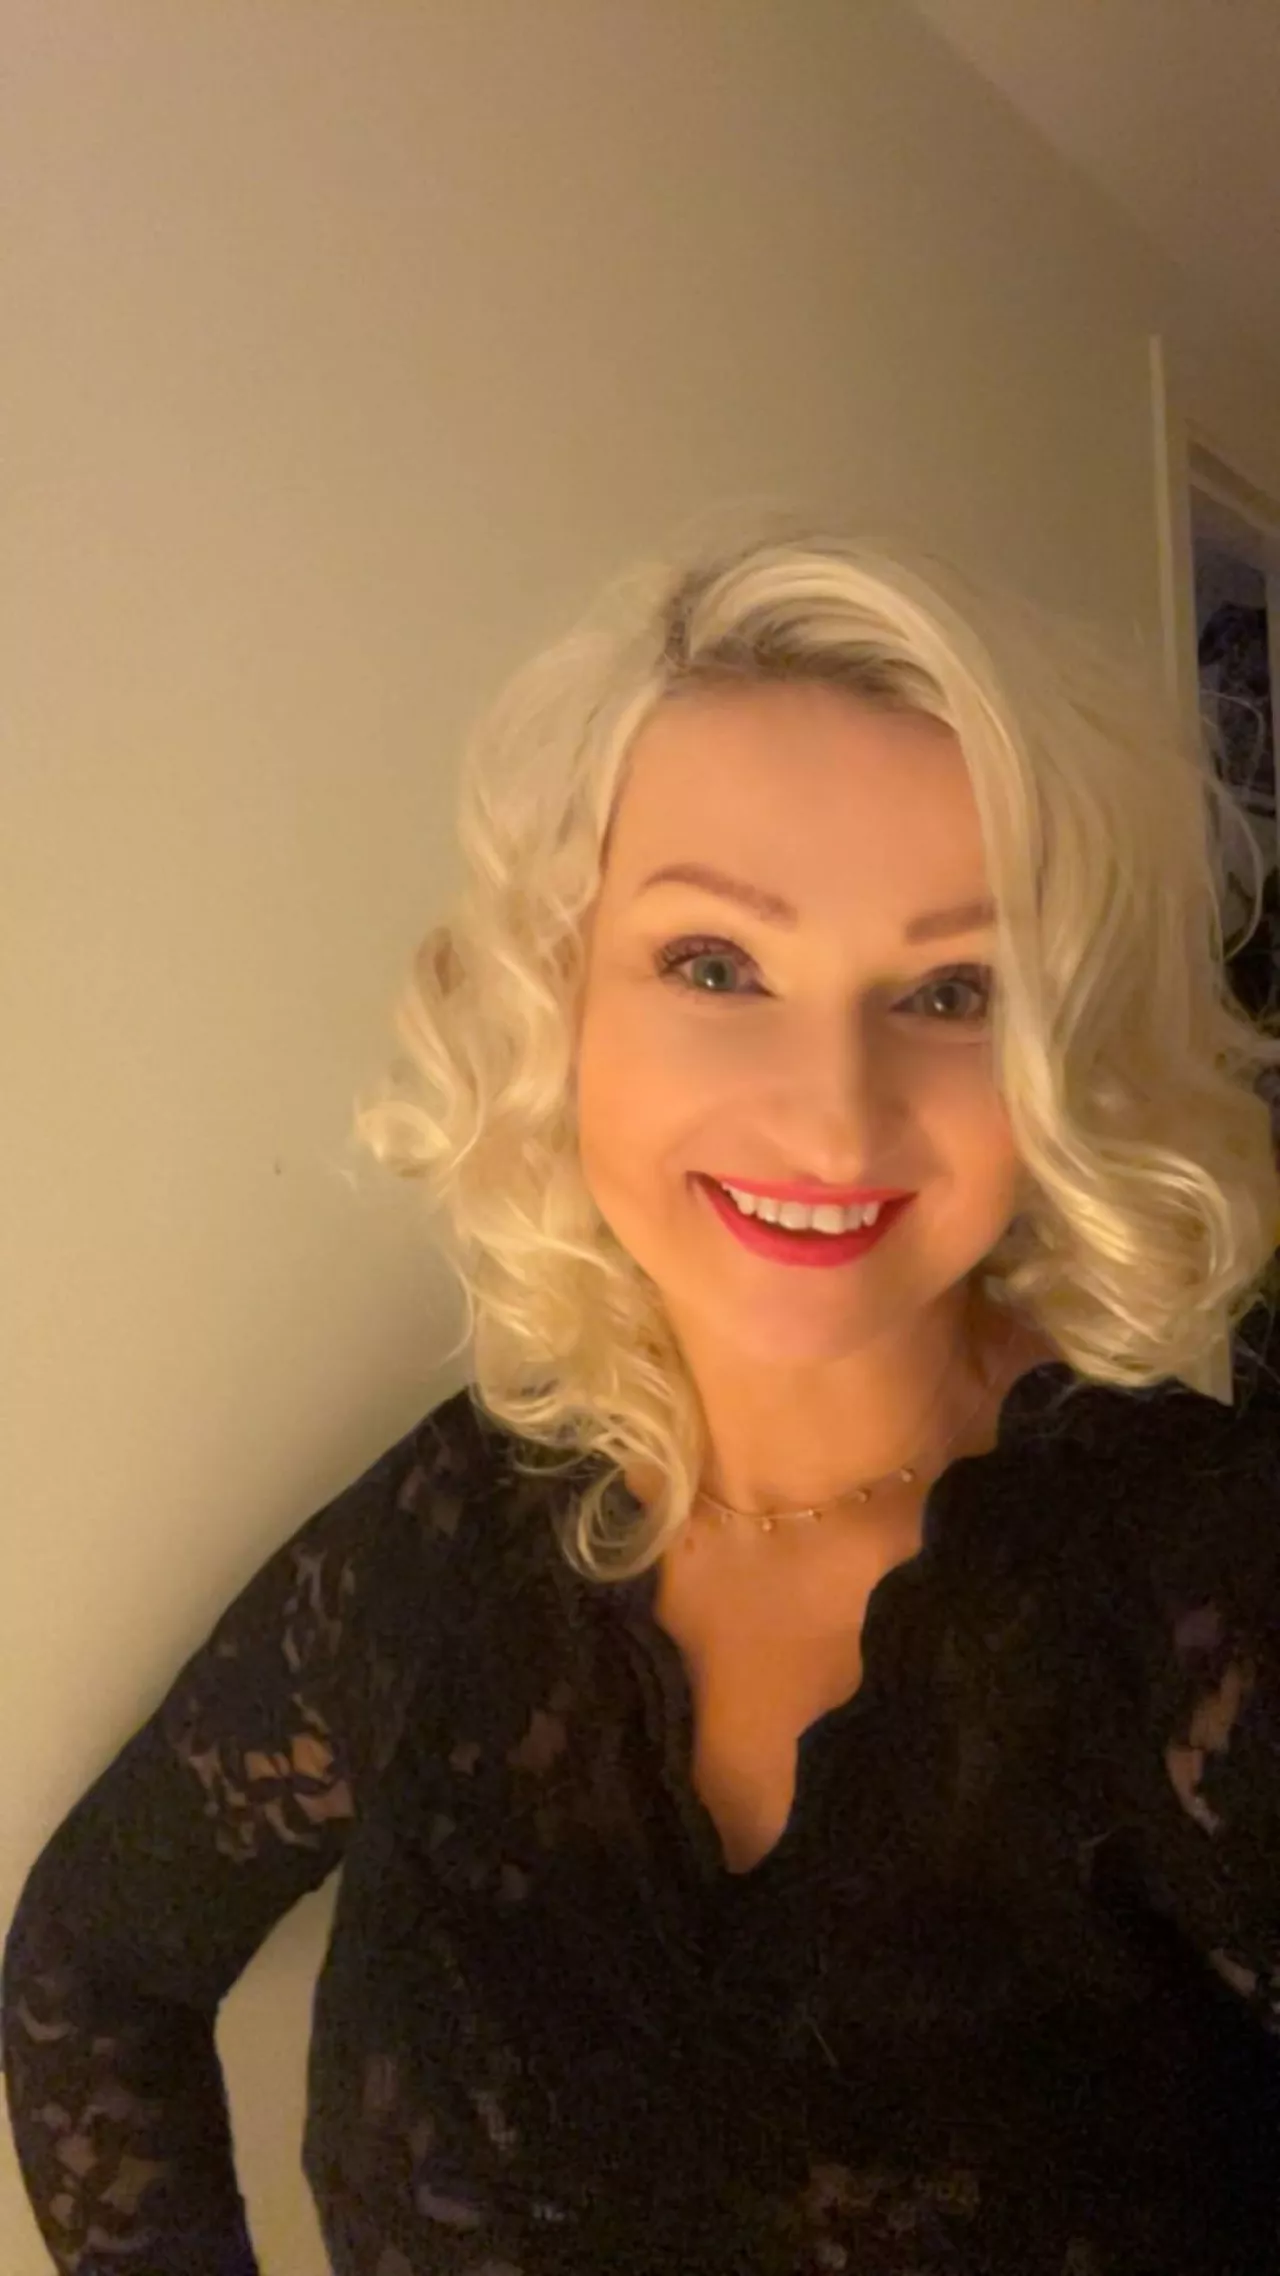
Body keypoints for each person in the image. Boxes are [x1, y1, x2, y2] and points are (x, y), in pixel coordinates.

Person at [5, 513, 1280, 2276]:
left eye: (950, 990)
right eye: (715, 965)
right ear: (559, 998)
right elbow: (91, 1969)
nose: (832, 1115)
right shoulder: (457, 1527)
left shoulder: (1213, 1582)